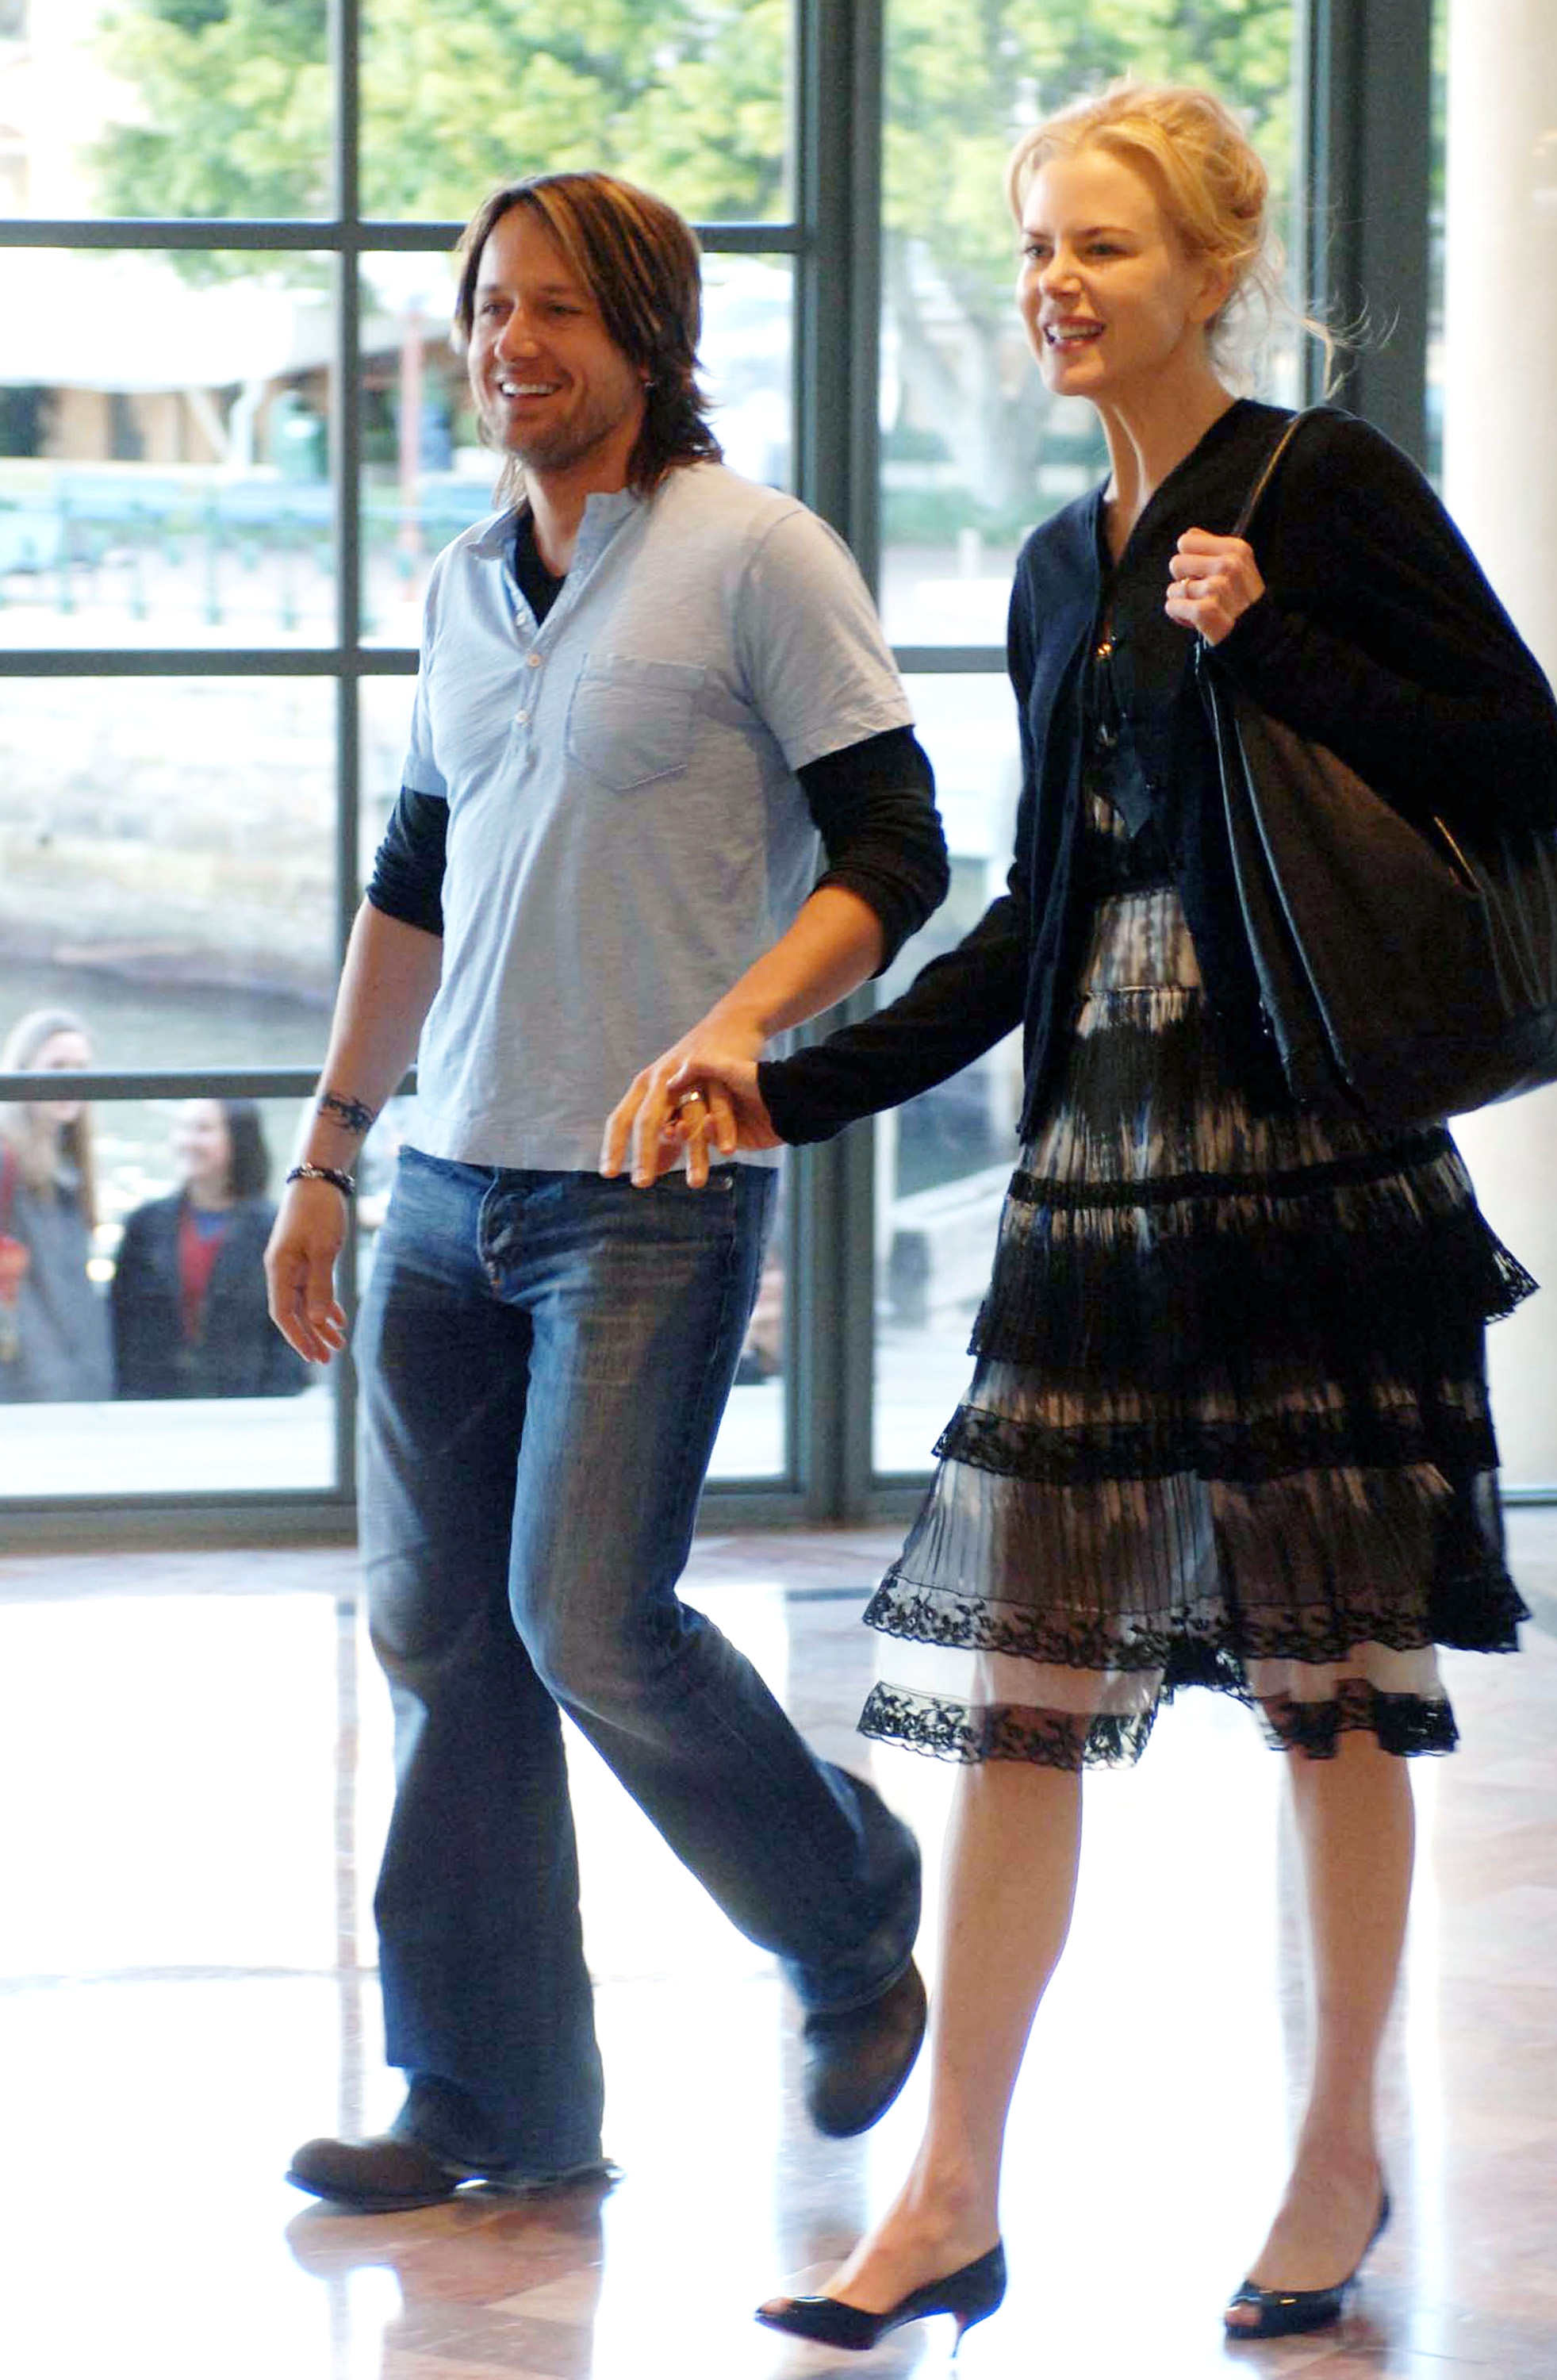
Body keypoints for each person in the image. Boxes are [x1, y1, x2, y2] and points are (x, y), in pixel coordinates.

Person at [631, 81, 1557, 2349]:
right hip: (1093, 1192)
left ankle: (1336, 2157)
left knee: (1331, 1693)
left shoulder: (1320, 489)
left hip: (1309, 1185)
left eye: (1105, 249)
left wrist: (1268, 641)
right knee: (1024, 1697)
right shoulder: (1056, 565)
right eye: (1040, 244)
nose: (1058, 281)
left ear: (1209, 275)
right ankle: (951, 2190)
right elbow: (1033, 920)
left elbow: (1518, 768)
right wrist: (783, 1077)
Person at [265, 168, 949, 2213]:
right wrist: (324, 1151)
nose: (511, 345)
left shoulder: (756, 556)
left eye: (556, 308)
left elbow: (893, 853)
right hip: (444, 1186)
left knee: (590, 1622)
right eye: (489, 308)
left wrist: (739, 1025)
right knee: (438, 1638)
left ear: (648, 331)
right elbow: (412, 884)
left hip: (642, 1190)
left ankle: (842, 1912)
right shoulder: (466, 580)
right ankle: (490, 2099)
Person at [111, 1099, 308, 1399]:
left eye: (202, 1129)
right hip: (155, 1403)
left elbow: (290, 1337)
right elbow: (121, 1323)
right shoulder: (144, 1225)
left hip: (247, 1404)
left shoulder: (276, 1229)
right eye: (182, 1128)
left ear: (239, 1138)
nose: (187, 1141)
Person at [0, 1007, 112, 1404]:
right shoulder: (7, 1160)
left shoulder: (71, 1165)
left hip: (74, 1376)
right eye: (57, 1066)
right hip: (27, 1382)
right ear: (23, 1070)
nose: (71, 1080)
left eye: (81, 1068)